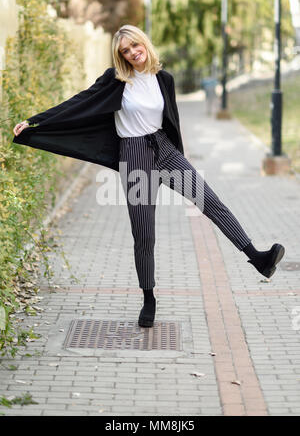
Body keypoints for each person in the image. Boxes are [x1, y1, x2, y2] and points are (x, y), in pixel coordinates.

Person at [13, 24, 285, 328]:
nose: (132, 54)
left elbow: (172, 121)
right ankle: (149, 298)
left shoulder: (163, 79)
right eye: (125, 51)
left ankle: (258, 258)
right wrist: (35, 121)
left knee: (211, 202)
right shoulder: (115, 80)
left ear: (144, 43)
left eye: (135, 46)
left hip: (165, 151)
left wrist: (181, 154)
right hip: (135, 156)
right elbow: (79, 101)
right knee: (144, 233)